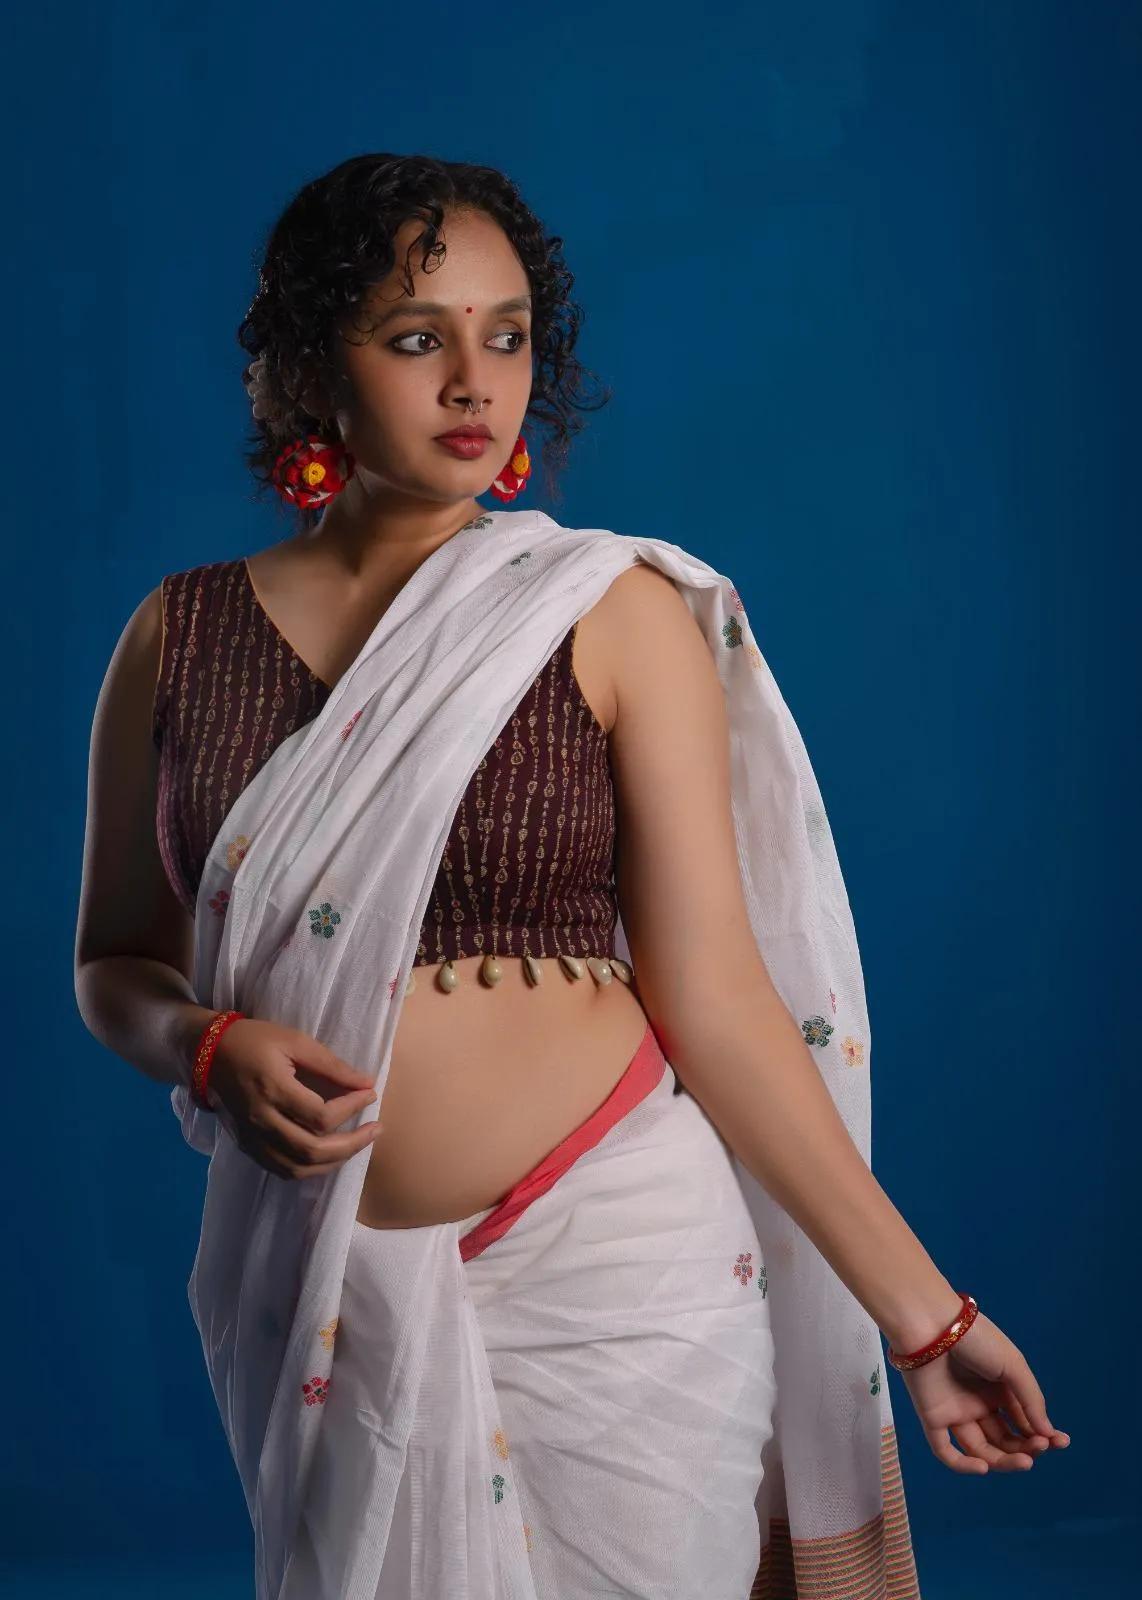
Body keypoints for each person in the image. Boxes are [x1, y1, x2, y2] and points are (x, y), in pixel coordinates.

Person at [74, 152, 1069, 1600]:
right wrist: (203, 1044)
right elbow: (116, 960)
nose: (473, 382)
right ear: (311, 366)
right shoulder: (178, 639)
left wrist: (925, 1321)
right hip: (329, 1285)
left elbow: (718, 997)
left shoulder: (606, 610)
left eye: (507, 335)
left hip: (621, 1262)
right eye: (416, 337)